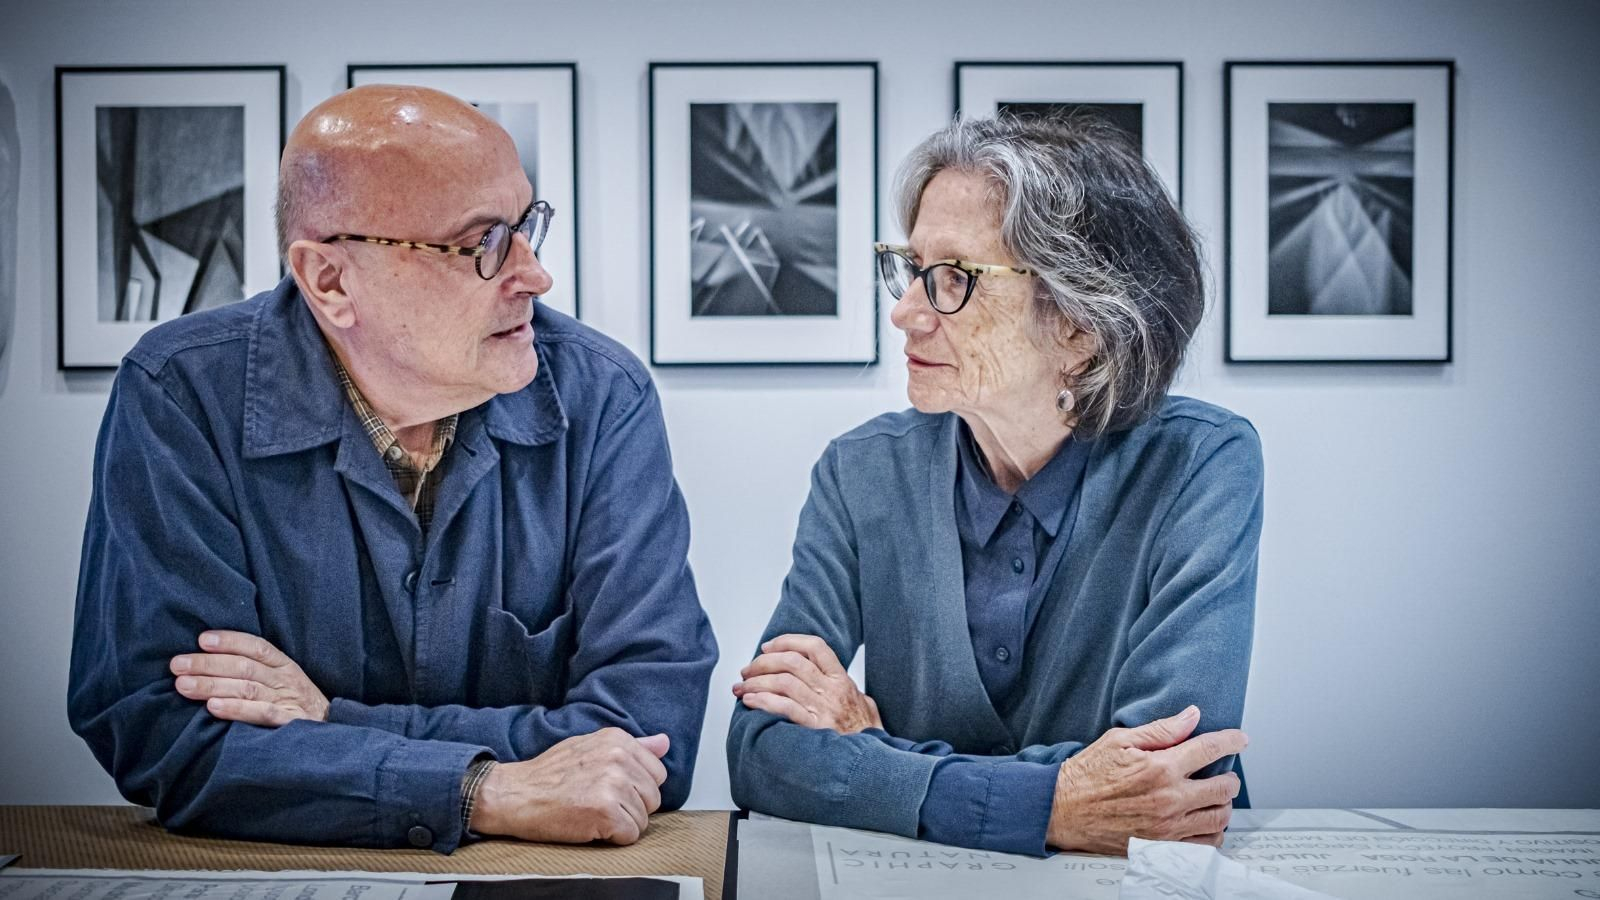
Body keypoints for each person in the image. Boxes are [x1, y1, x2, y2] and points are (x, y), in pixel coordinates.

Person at [69, 85, 718, 852]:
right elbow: (161, 735)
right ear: (331, 281)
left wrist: (330, 723)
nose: (535, 275)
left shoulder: (603, 396)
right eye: (483, 243)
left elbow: (645, 740)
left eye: (526, 226)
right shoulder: (181, 394)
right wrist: (481, 788)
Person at [726, 114, 1261, 857]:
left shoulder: (1201, 465)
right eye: (910, 269)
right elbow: (759, 753)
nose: (905, 312)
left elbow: (1170, 782)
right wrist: (1050, 806)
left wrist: (877, 756)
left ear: (1081, 324)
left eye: (953, 279)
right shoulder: (862, 472)